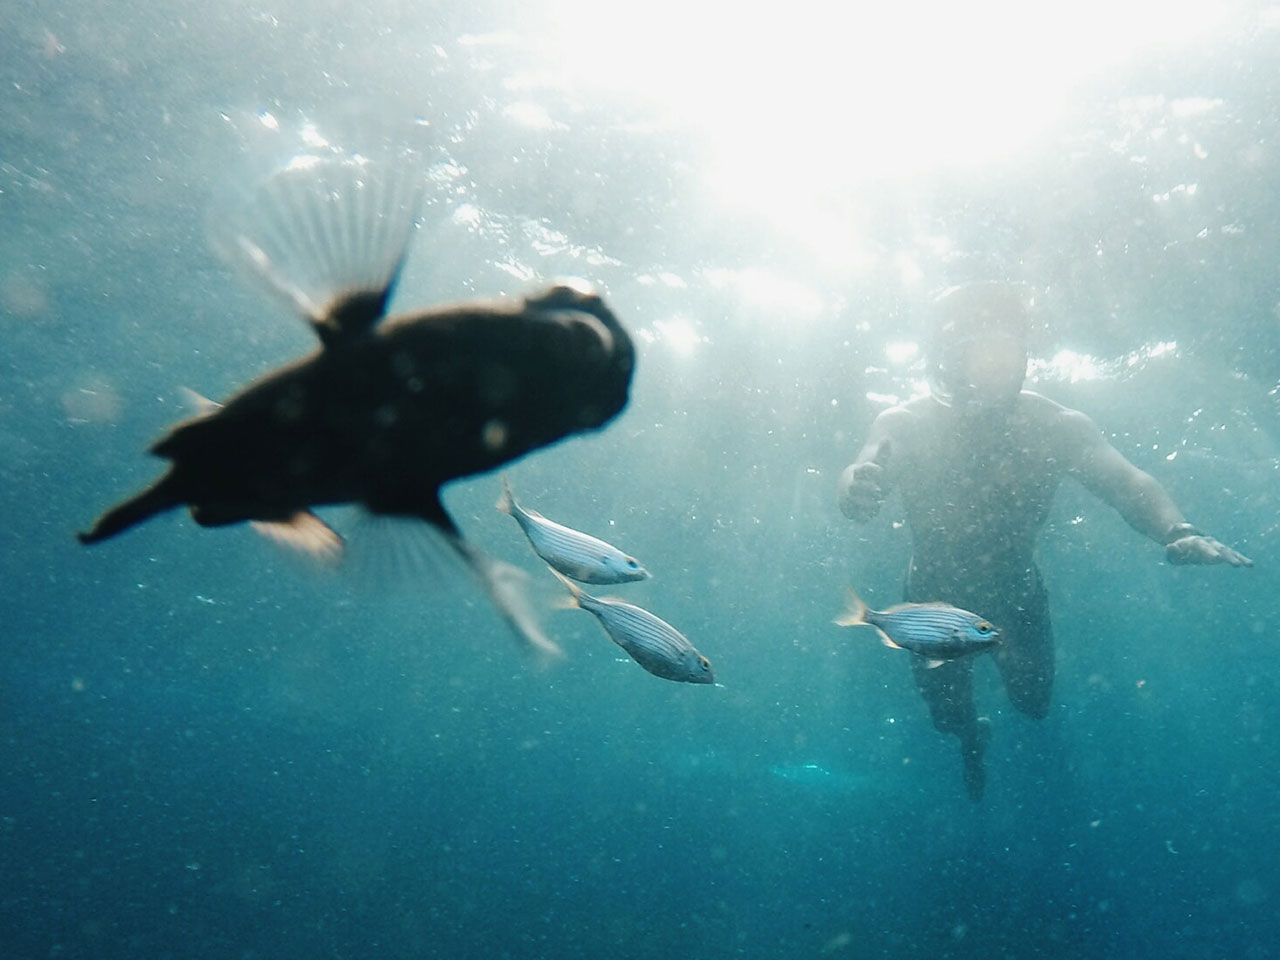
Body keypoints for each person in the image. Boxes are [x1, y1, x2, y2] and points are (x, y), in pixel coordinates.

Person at [837, 282, 1252, 801]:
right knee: (948, 718)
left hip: (1018, 596)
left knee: (1034, 705)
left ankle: (972, 731)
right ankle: (972, 738)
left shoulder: (1055, 425)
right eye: (981, 355)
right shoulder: (910, 422)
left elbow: (1126, 482)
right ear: (948, 358)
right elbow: (869, 461)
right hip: (931, 599)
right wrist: (858, 486)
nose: (995, 371)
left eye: (1006, 355)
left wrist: (1178, 530)